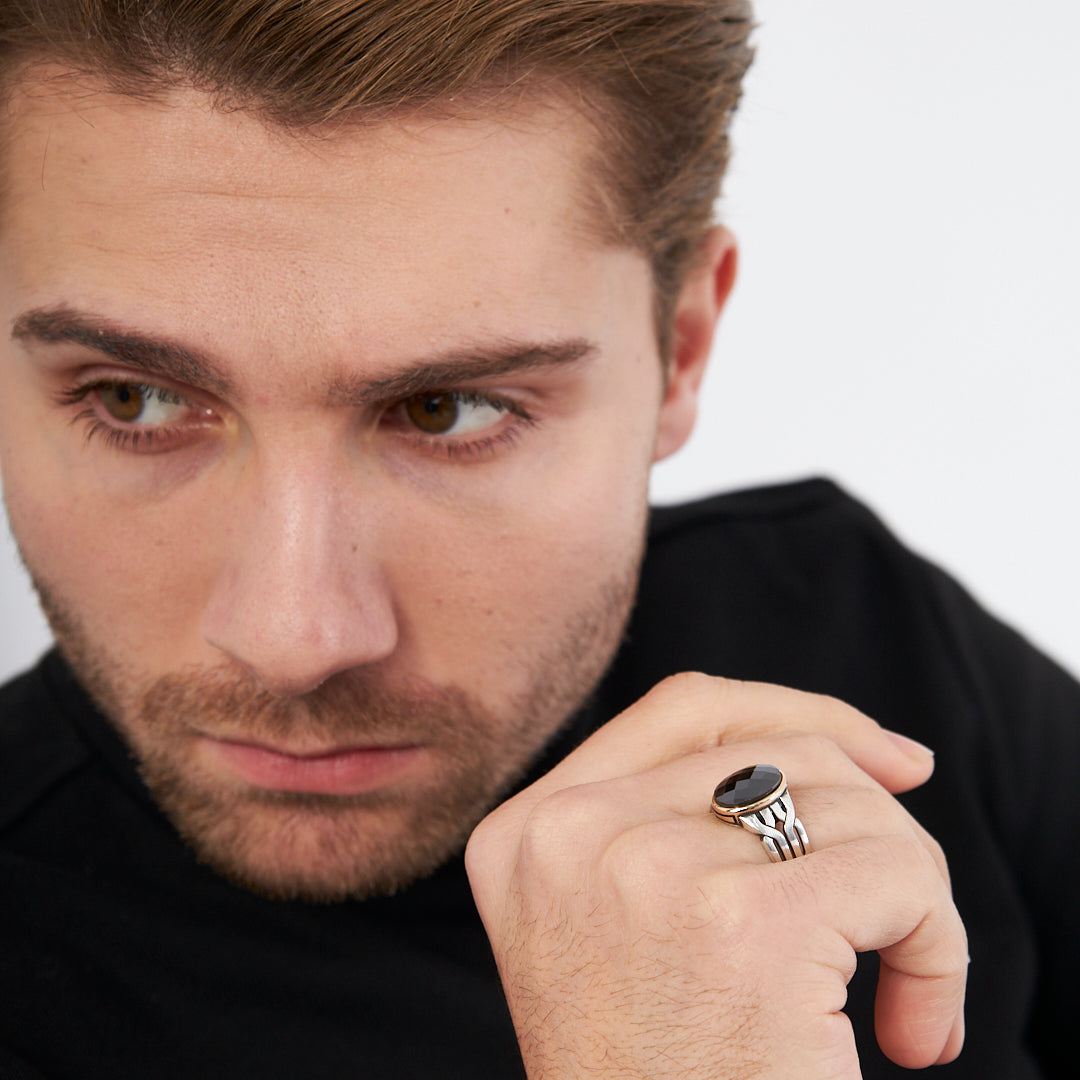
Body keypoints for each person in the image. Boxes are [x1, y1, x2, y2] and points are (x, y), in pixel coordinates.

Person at [0, 2, 1073, 1077]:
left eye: (447, 410)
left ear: (682, 348)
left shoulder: (860, 624)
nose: (296, 638)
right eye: (133, 400)